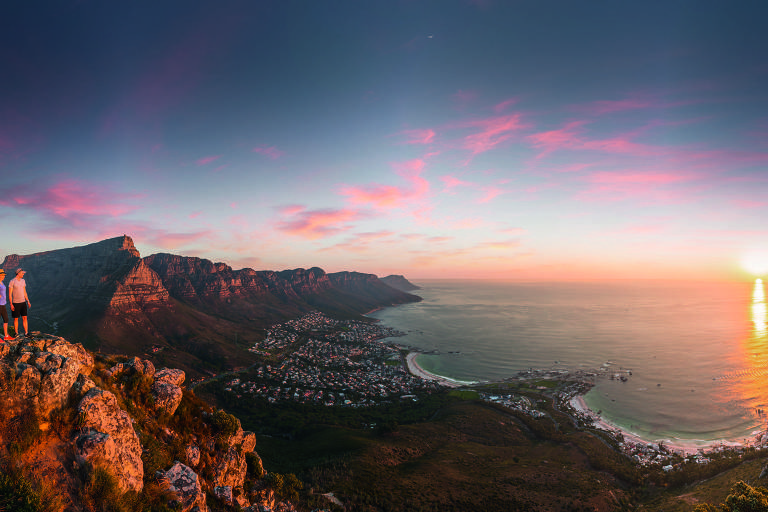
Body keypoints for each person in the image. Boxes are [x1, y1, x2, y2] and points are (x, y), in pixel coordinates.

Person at [8, 268, 30, 337]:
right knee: (16, 318)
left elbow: (24, 291)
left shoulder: (23, 281)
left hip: (23, 302)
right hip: (15, 303)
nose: (23, 274)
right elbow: (10, 294)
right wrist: (11, 304)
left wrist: (28, 301)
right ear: (18, 273)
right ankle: (16, 333)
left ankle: (26, 333)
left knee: (25, 318)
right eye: (22, 273)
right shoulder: (12, 281)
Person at [0, 269, 11, 340]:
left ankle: (6, 336)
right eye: (2, 275)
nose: (4, 276)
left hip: (3, 303)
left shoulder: (2, 283)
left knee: (6, 319)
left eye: (4, 275)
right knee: (5, 319)